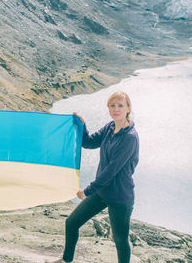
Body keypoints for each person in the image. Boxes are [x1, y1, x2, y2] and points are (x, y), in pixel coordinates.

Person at [48, 92, 139, 263]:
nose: (116, 109)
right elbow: (88, 142)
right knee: (72, 223)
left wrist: (87, 191)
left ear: (128, 108)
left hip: (120, 196)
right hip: (103, 192)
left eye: (120, 106)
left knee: (120, 240)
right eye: (112, 106)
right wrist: (82, 125)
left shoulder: (130, 138)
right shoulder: (109, 128)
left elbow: (111, 171)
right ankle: (66, 260)